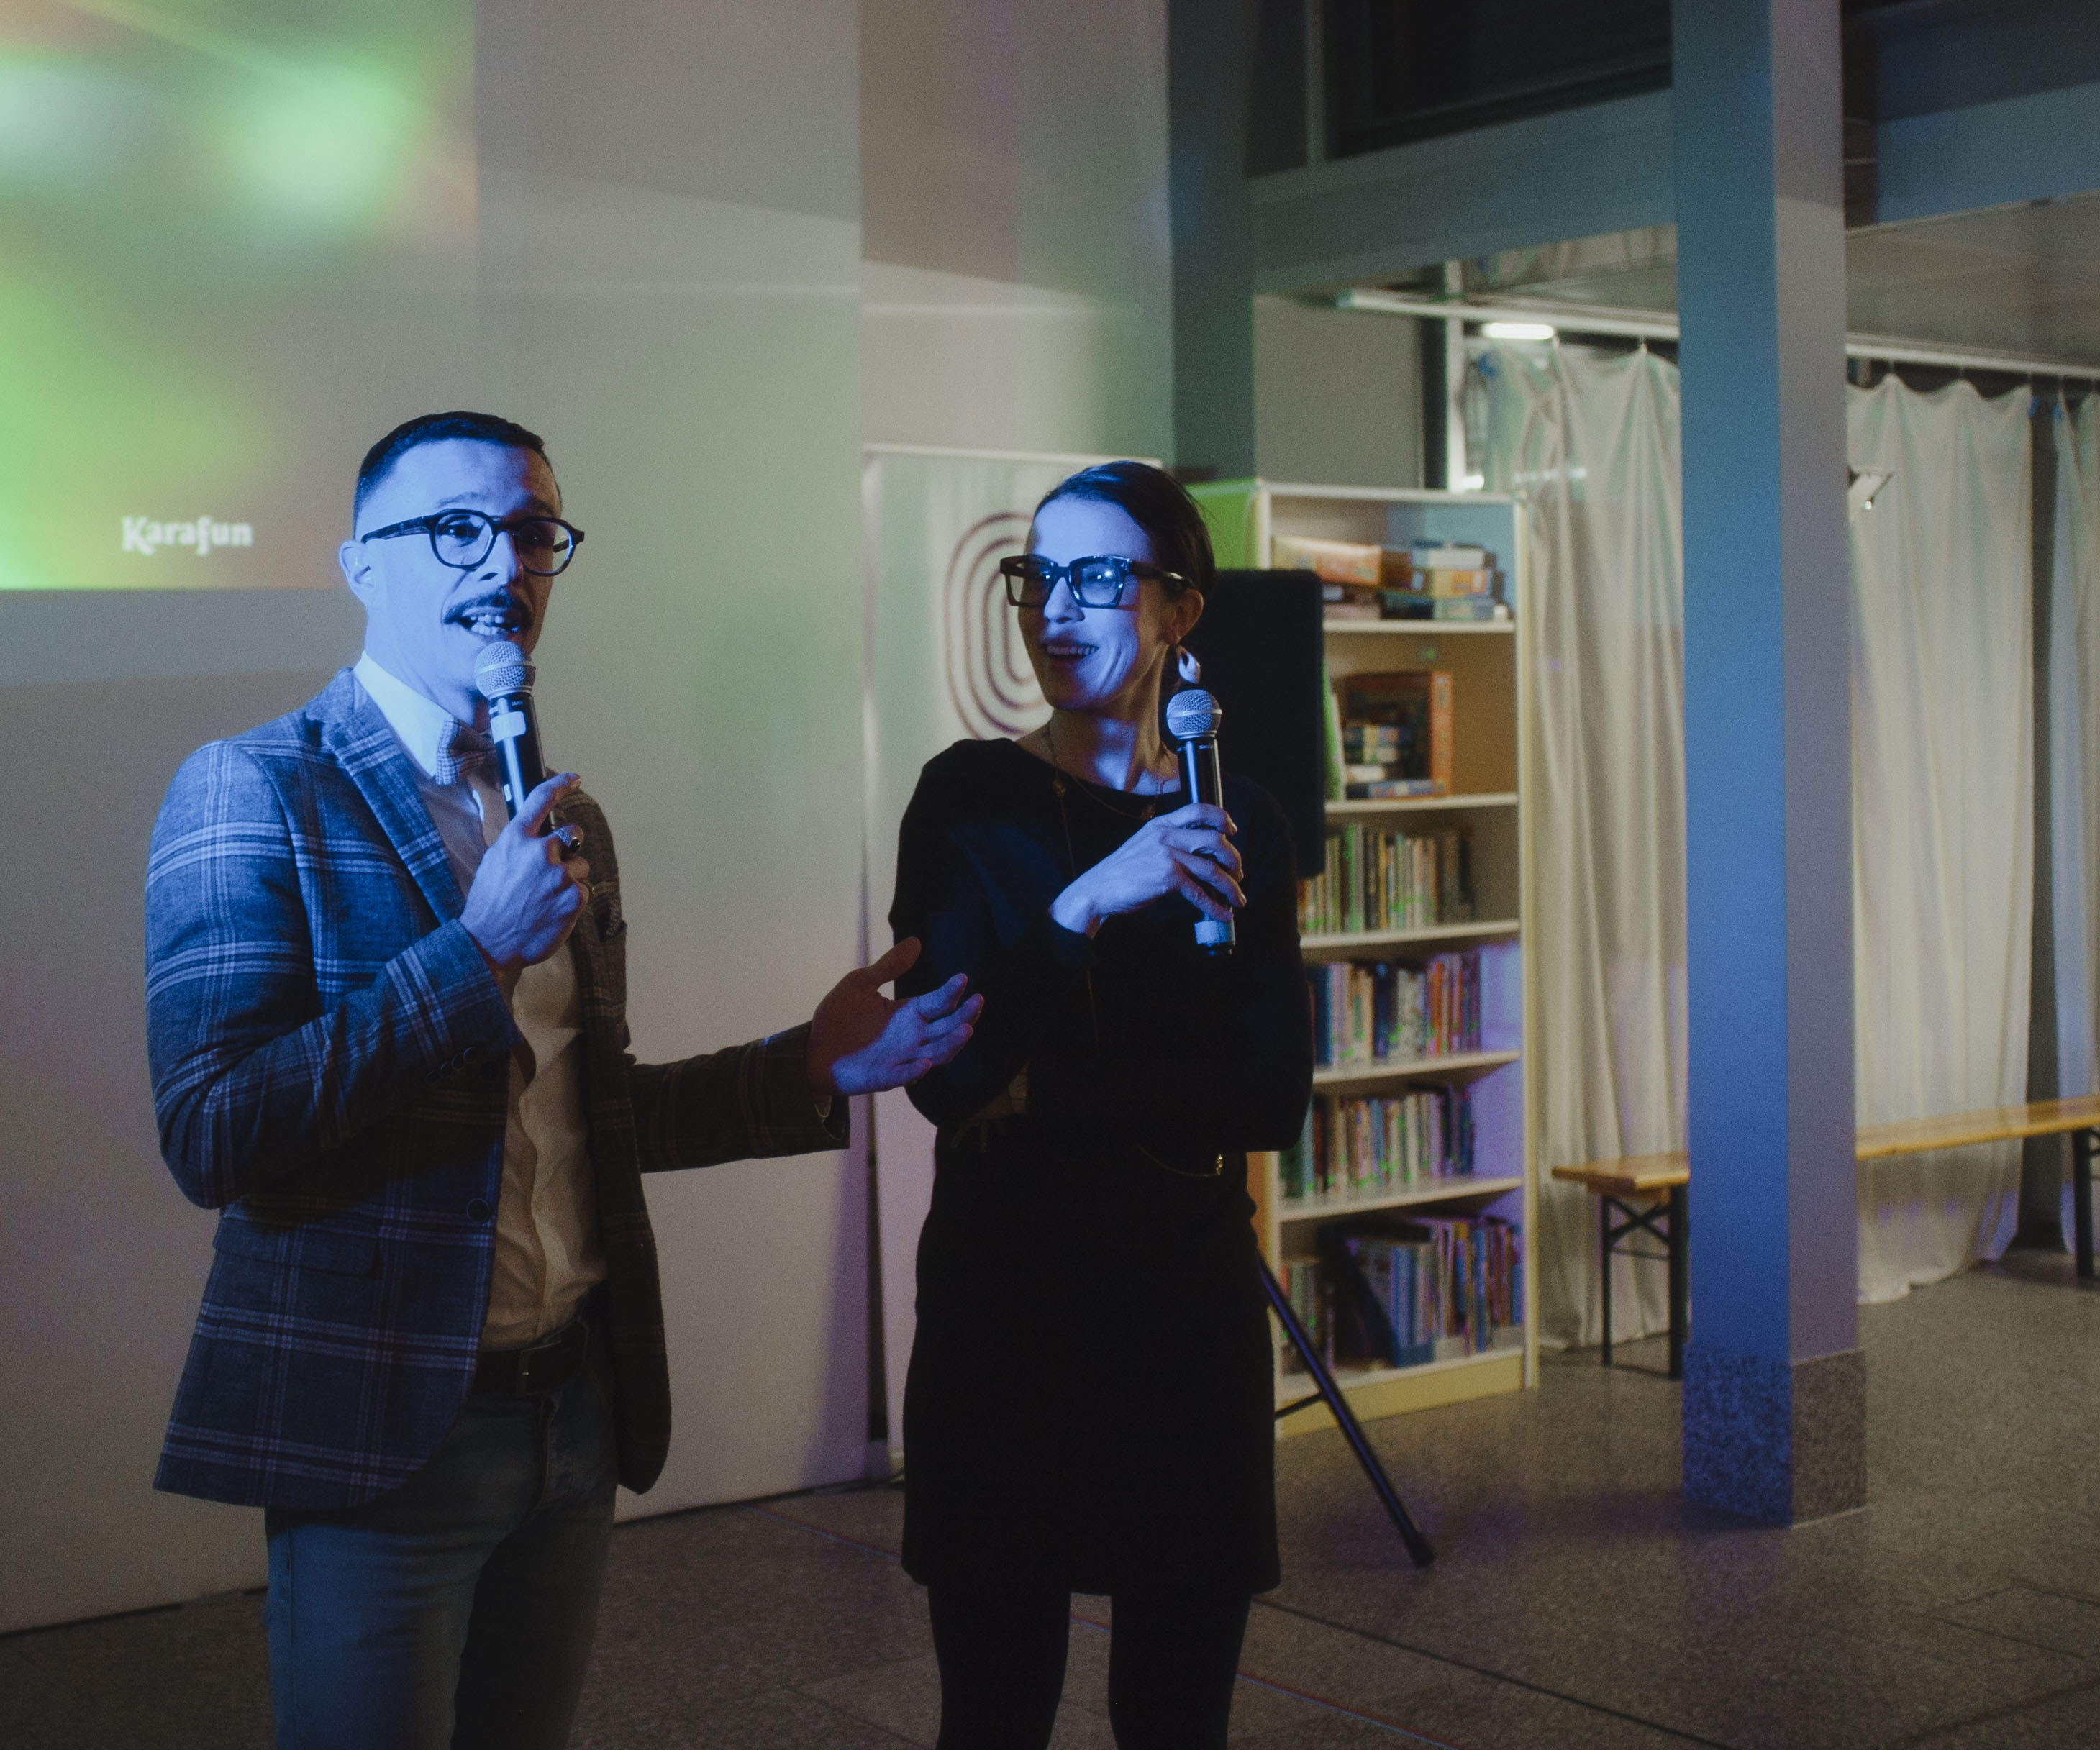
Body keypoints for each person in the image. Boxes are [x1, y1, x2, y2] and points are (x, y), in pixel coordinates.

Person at [145, 410, 984, 1750]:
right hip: (386, 1430)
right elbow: (213, 1129)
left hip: (573, 1411)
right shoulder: (254, 788)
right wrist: (472, 954)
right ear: (361, 564)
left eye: (533, 532)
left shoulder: (563, 815)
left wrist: (811, 1066)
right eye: (456, 529)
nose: (504, 564)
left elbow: (589, 1114)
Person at [888, 461, 1314, 1749]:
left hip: (1185, 1311)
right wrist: (1083, 905)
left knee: (1175, 1717)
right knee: (995, 1710)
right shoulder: (968, 798)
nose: (1054, 609)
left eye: (1096, 577)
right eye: (1038, 577)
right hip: (1004, 1312)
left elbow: (1270, 1097)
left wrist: (1046, 1082)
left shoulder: (1238, 818)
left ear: (1181, 610)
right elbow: (948, 1079)